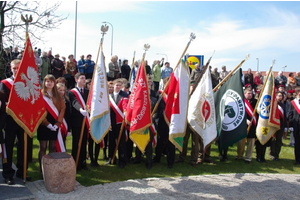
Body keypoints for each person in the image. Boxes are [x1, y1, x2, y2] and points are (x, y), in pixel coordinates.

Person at [1, 59, 30, 185]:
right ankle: (8, 174)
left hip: (23, 121)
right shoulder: (5, 84)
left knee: (23, 146)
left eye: (19, 68)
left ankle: (22, 171)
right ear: (11, 68)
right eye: (14, 68)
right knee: (8, 147)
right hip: (10, 120)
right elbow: (4, 104)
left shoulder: (27, 83)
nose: (17, 70)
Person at [37, 75, 65, 176]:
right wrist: (46, 123)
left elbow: (62, 108)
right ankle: (42, 169)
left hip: (55, 123)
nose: (49, 83)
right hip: (43, 123)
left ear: (54, 83)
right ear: (44, 82)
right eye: (47, 81)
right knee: (43, 147)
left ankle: (52, 168)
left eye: (52, 81)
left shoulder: (57, 95)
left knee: (53, 147)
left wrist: (58, 123)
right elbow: (38, 110)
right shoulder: (40, 94)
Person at [69, 72, 90, 171]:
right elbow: (74, 102)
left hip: (86, 120)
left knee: (83, 143)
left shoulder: (87, 91)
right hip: (77, 120)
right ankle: (75, 162)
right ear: (76, 80)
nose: (83, 80)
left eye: (84, 78)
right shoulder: (72, 92)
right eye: (81, 78)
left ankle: (83, 162)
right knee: (76, 142)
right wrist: (80, 109)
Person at [106, 78, 129, 168]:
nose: (118, 87)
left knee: (121, 142)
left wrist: (125, 111)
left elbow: (125, 105)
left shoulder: (124, 95)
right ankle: (111, 158)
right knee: (111, 141)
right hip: (111, 122)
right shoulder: (109, 96)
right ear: (114, 86)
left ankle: (122, 160)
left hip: (120, 122)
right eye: (117, 85)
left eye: (120, 85)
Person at [237, 88, 257, 163]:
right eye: (248, 93)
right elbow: (239, 113)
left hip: (252, 125)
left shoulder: (255, 102)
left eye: (251, 93)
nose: (250, 95)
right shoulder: (241, 101)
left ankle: (248, 157)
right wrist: (245, 120)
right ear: (244, 94)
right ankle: (239, 155)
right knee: (240, 142)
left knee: (251, 142)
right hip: (242, 124)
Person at [269, 91, 287, 161]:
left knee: (279, 141)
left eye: (281, 96)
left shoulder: (283, 105)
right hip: (274, 125)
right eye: (279, 95)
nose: (280, 97)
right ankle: (271, 154)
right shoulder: (272, 105)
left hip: (281, 126)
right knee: (273, 140)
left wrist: (285, 127)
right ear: (275, 96)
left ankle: (277, 154)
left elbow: (285, 117)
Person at [56, 82, 71, 147]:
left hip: (64, 124)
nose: (62, 92)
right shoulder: (53, 100)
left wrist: (68, 129)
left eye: (63, 90)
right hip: (55, 124)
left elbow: (68, 115)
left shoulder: (67, 101)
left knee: (63, 142)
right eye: (60, 90)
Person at [288, 87, 300, 165]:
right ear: (297, 93)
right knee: (297, 143)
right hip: (297, 126)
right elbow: (290, 115)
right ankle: (298, 160)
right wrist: (291, 125)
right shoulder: (293, 102)